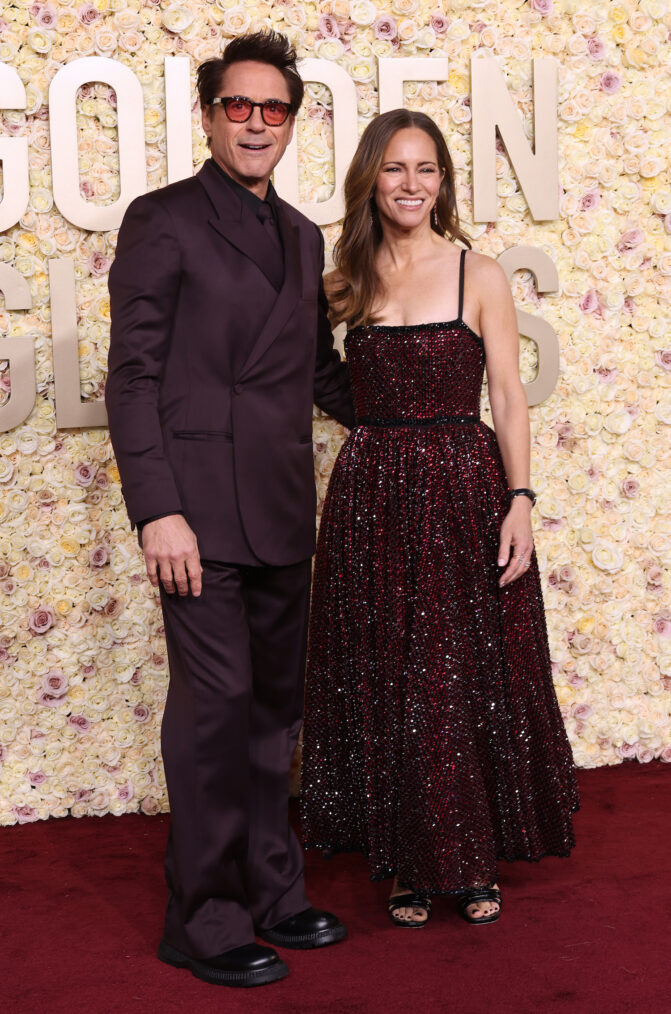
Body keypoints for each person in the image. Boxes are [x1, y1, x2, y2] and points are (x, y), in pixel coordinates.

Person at [105, 31, 353, 988]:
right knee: (213, 715)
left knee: (270, 718)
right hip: (196, 519)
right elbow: (133, 379)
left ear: (292, 123)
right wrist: (155, 510)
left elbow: (318, 373)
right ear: (209, 115)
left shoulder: (301, 234)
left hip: (285, 508)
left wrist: (418, 411)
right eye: (237, 107)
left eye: (275, 110)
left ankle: (272, 892)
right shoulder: (161, 219)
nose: (256, 124)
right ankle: (201, 920)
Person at [301, 109, 578, 929]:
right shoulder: (343, 280)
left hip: (465, 488)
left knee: (457, 676)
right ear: (370, 180)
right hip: (374, 495)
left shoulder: (478, 272)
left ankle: (468, 858)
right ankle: (408, 865)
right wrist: (380, 437)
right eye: (393, 169)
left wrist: (520, 500)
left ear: (443, 182)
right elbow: (315, 376)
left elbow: (506, 397)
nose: (410, 184)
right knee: (390, 673)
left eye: (425, 169)